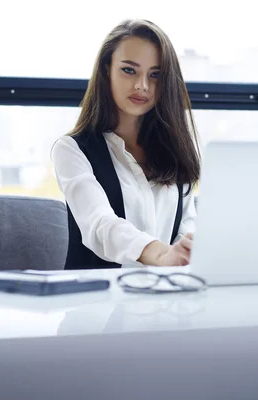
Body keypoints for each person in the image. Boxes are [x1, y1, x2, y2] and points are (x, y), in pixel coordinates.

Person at [51, 19, 201, 270]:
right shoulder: (72, 149)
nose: (142, 85)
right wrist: (161, 254)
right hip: (96, 304)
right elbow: (100, 225)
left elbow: (187, 229)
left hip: (165, 301)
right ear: (106, 70)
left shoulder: (175, 151)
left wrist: (184, 254)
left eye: (155, 75)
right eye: (129, 70)